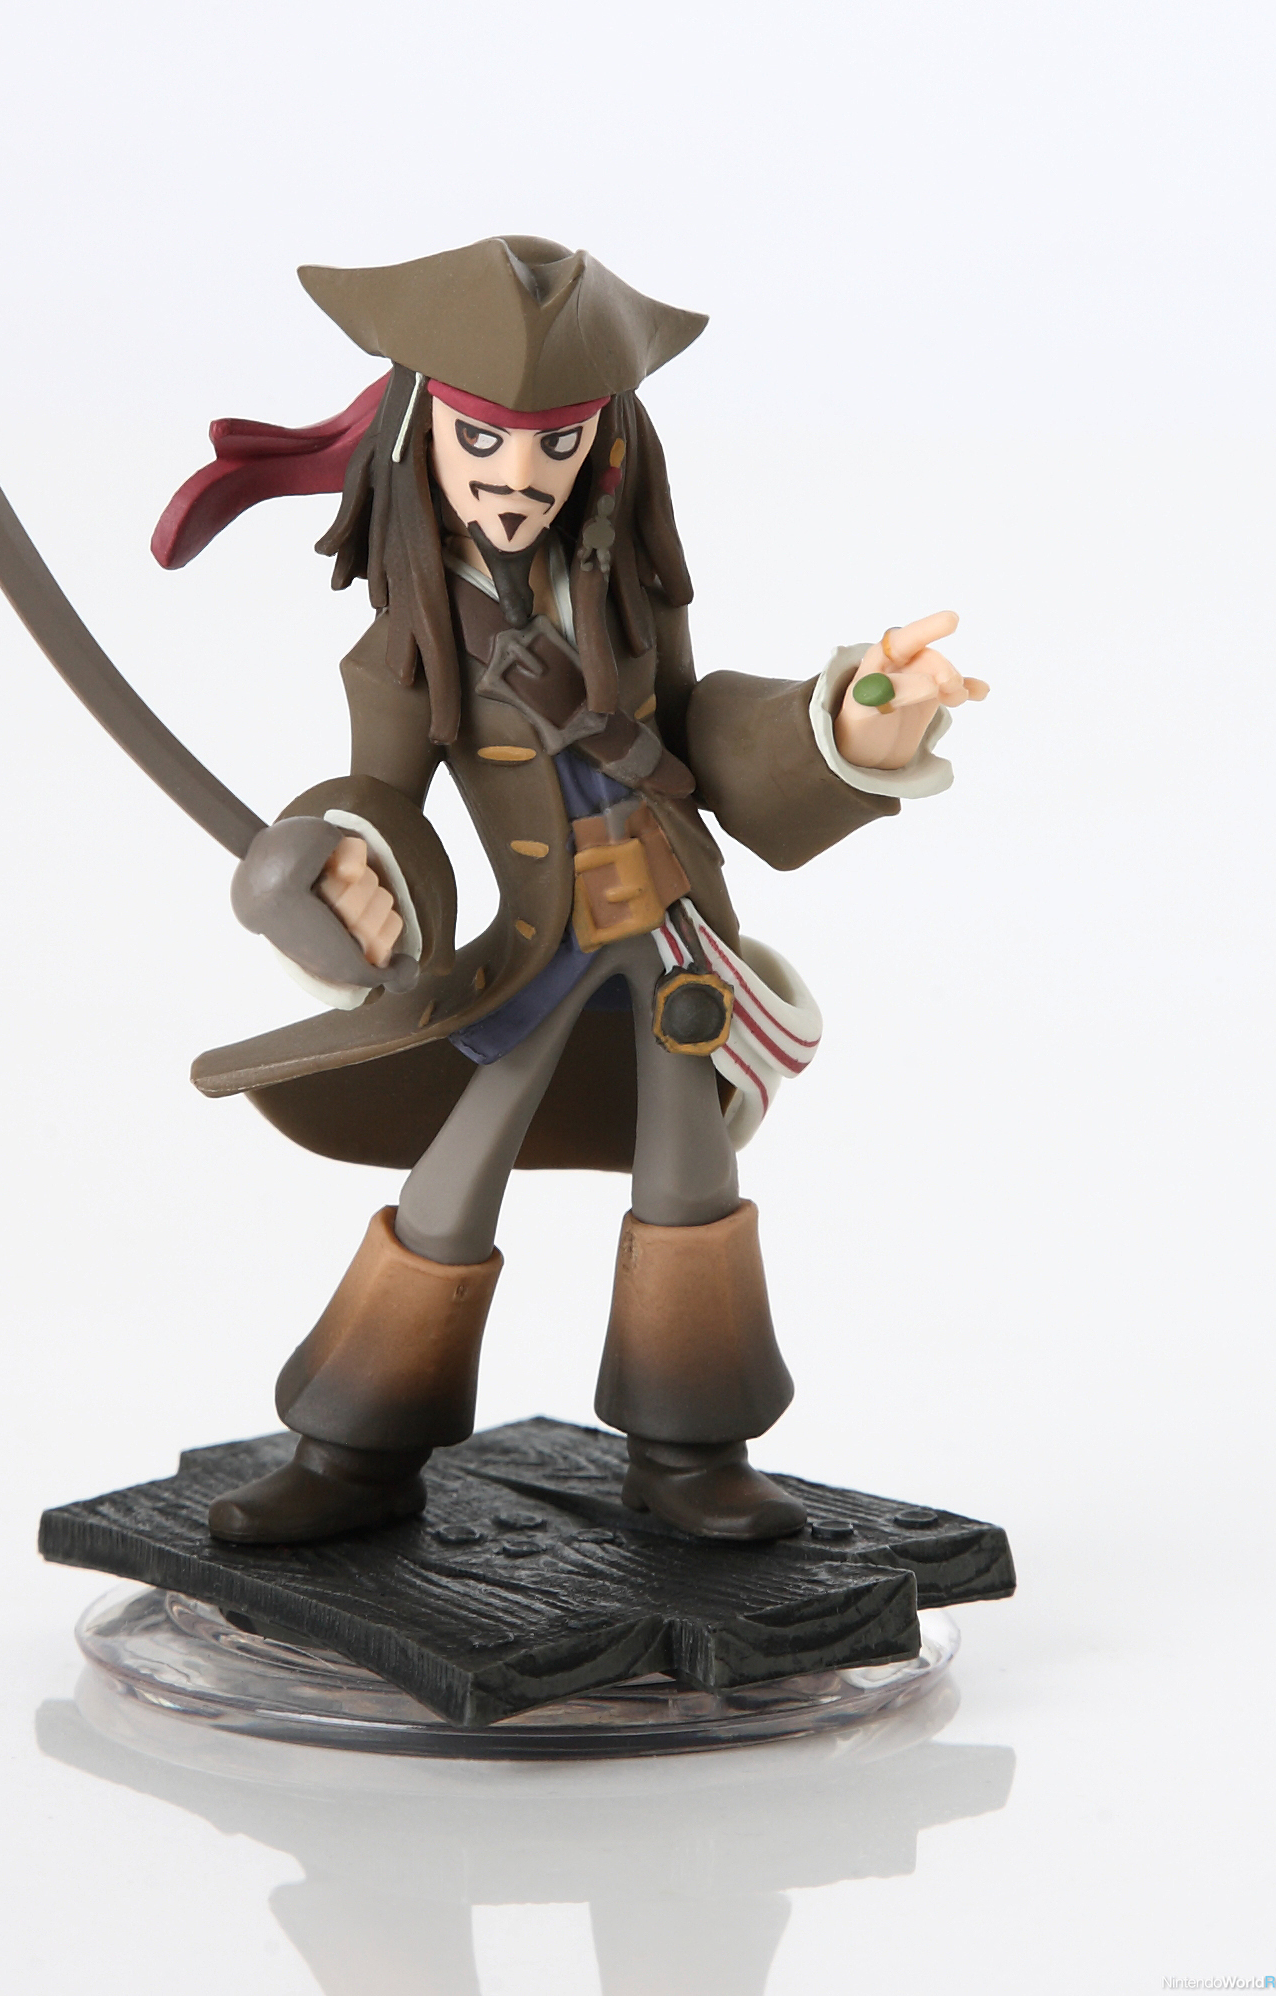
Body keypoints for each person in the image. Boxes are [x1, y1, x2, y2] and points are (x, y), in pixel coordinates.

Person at [151, 236, 986, 1545]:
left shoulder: (634, 594)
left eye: (553, 444)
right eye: (483, 441)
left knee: (689, 1175)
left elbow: (697, 736)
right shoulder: (408, 641)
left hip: (671, 936)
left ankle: (691, 1451)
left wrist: (846, 726)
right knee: (455, 1176)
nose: (517, 476)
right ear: (422, 433)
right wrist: (337, 864)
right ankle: (357, 1446)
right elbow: (381, 796)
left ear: (604, 441)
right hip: (536, 954)